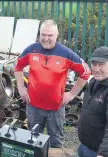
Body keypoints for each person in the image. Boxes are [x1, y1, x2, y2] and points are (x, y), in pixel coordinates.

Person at [14, 19, 91, 148]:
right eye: (43, 35)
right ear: (39, 34)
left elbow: (86, 72)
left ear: (57, 35)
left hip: (56, 108)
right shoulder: (31, 50)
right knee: (32, 140)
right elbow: (17, 67)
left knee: (56, 143)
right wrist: (21, 88)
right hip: (33, 106)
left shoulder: (66, 53)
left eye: (50, 35)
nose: (46, 38)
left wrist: (72, 94)